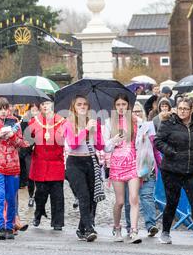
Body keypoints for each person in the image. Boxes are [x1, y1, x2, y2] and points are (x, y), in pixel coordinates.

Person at [154, 97, 193, 246]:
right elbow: (158, 141)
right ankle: (165, 232)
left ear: (191, 110)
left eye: (185, 109)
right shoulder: (169, 122)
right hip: (172, 169)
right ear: (176, 109)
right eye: (180, 108)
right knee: (172, 202)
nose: (182, 111)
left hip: (192, 169)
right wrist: (171, 152)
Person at [0, 97, 29, 240]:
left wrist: (13, 136)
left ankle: (9, 227)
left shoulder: (15, 122)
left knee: (11, 197)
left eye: (5, 109)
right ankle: (0, 227)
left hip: (13, 166)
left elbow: (22, 143)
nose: (3, 112)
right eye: (0, 109)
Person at [63, 95, 104, 242]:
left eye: (85, 104)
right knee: (83, 196)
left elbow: (100, 146)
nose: (82, 106)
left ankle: (81, 228)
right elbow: (73, 144)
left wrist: (96, 131)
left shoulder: (93, 122)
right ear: (73, 107)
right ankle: (89, 228)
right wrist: (85, 130)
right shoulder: (68, 123)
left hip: (91, 160)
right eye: (79, 104)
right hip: (74, 162)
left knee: (93, 197)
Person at [104, 94, 142, 244]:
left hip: (133, 162)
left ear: (128, 106)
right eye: (118, 104)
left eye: (124, 104)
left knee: (133, 198)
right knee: (120, 201)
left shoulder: (136, 121)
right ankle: (117, 227)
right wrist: (114, 140)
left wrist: (143, 138)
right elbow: (105, 147)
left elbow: (141, 143)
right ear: (115, 106)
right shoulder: (108, 122)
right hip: (117, 165)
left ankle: (134, 230)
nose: (121, 107)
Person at [124, 102, 162, 236]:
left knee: (147, 196)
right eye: (133, 111)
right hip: (129, 168)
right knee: (130, 199)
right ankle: (130, 226)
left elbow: (155, 149)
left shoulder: (149, 127)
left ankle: (151, 225)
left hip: (147, 166)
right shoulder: (124, 129)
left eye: (139, 111)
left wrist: (160, 165)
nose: (136, 114)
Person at [27, 99, 66, 230]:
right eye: (42, 104)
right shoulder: (34, 121)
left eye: (47, 103)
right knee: (40, 194)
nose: (45, 106)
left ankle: (57, 222)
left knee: (57, 195)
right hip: (40, 163)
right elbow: (28, 139)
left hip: (56, 162)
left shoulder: (62, 121)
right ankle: (38, 213)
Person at [20, 104, 39, 207]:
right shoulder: (25, 120)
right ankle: (31, 196)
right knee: (30, 175)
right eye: (33, 107)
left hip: (41, 151)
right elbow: (23, 135)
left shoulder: (45, 119)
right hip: (29, 151)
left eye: (37, 107)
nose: (35, 109)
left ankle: (40, 196)